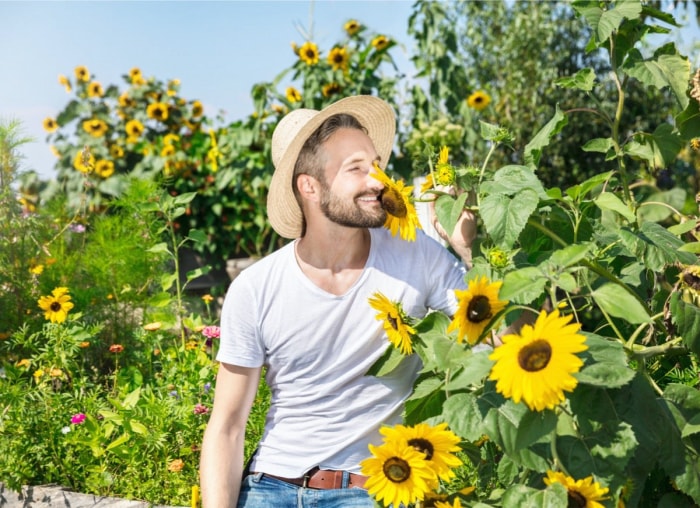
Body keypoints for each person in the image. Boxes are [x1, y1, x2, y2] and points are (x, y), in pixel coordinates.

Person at [199, 95, 476, 507]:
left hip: (370, 488)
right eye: (356, 168)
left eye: (377, 163)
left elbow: (497, 341)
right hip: (269, 486)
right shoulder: (256, 287)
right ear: (309, 186)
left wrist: (466, 249)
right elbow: (226, 427)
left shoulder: (416, 255)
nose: (379, 180)